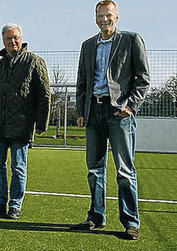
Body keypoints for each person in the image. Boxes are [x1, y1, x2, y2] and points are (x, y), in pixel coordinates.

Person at [71, 0, 150, 240]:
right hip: (93, 112)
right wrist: (81, 111)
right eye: (100, 15)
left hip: (119, 114)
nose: (104, 19)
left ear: (116, 16)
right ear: (95, 17)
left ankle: (131, 222)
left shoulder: (131, 39)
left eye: (108, 15)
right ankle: (96, 216)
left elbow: (143, 79)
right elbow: (82, 82)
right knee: (94, 170)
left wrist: (130, 106)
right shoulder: (87, 46)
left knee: (125, 170)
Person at [0, 23, 50, 219]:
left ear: (22, 38)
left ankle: (15, 205)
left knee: (18, 167)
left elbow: (44, 94)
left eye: (16, 37)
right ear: (3, 41)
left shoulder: (34, 61)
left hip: (21, 124)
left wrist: (41, 122)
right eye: (8, 38)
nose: (13, 41)